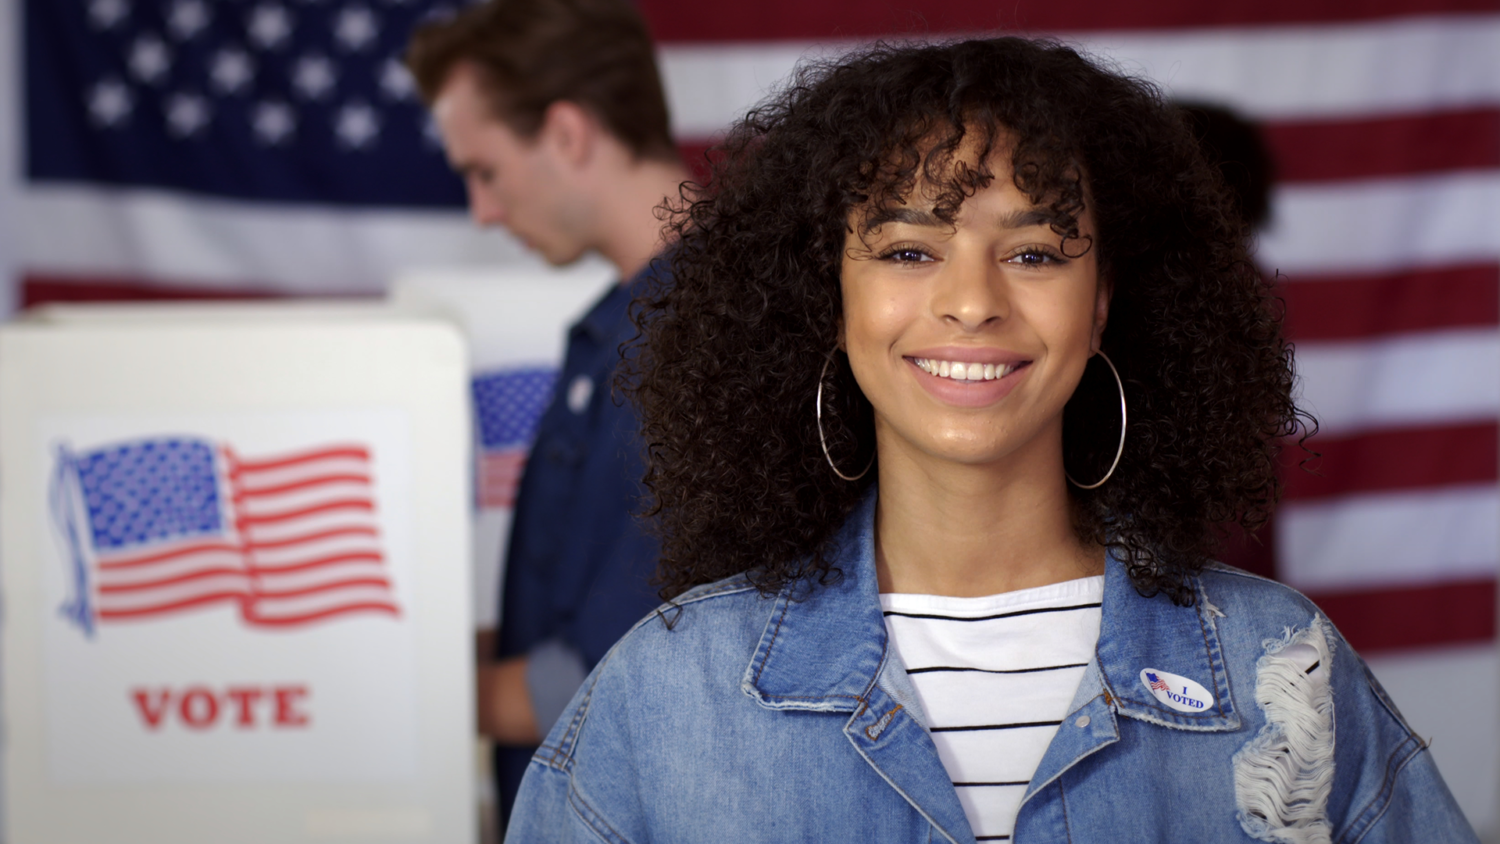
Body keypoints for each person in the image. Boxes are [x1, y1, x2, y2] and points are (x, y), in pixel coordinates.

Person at [503, 37, 1477, 842]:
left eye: (1034, 251)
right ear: (829, 303)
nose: (972, 300)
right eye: (908, 250)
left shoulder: (1288, 677)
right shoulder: (664, 694)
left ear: (1101, 307)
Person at [404, 0, 688, 822]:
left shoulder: (697, 333)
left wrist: (368, 696)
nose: (482, 212)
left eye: (485, 171)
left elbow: (617, 668)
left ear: (567, 133)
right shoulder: (631, 322)